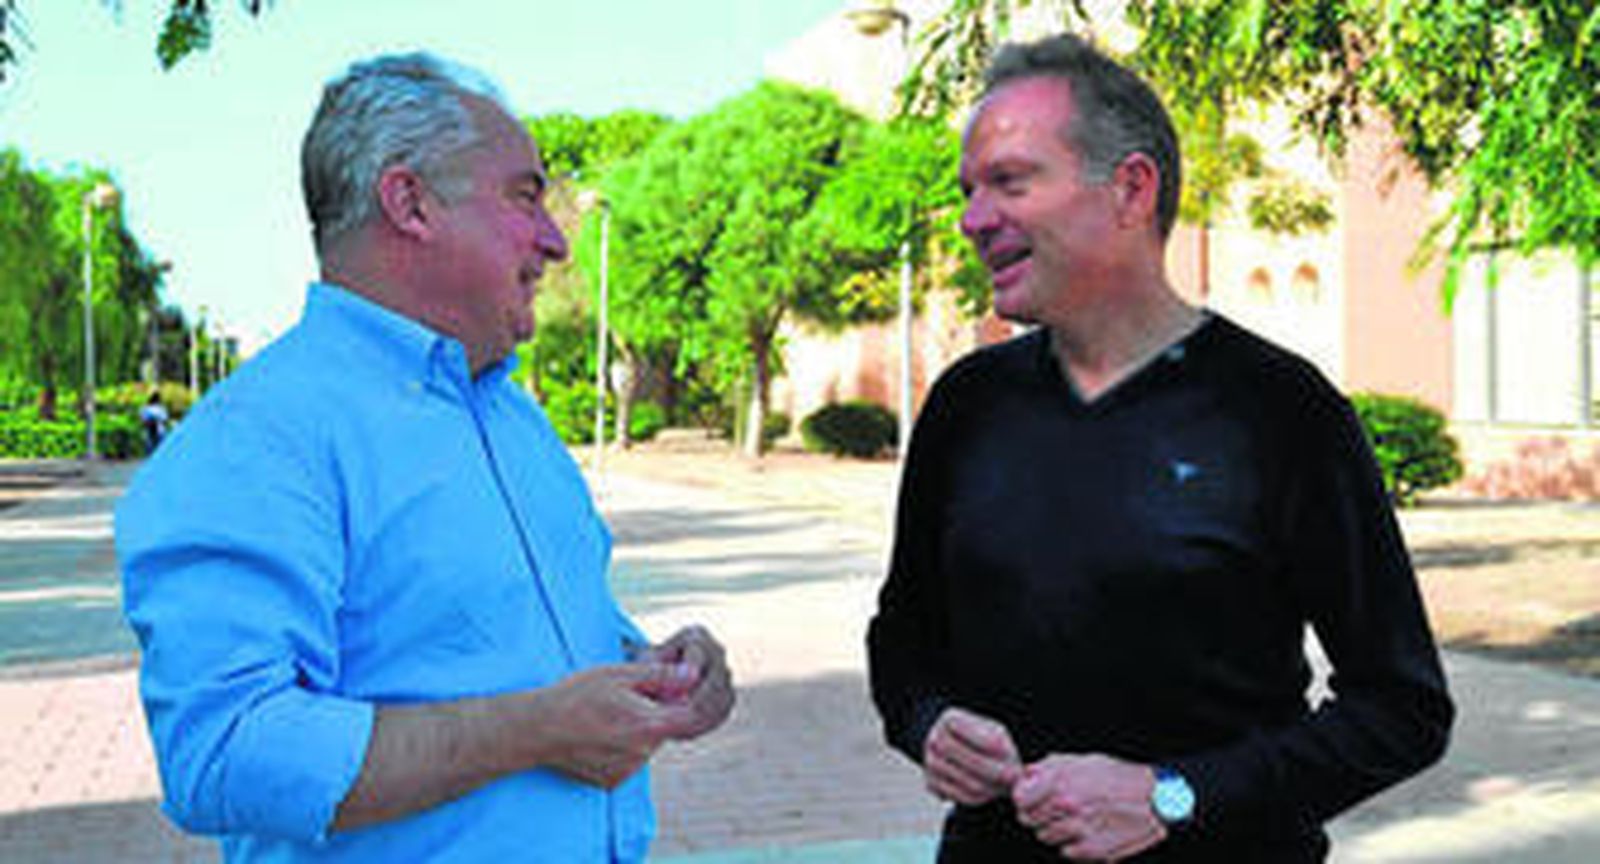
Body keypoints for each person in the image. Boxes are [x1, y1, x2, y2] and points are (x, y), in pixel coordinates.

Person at [116, 52, 734, 863]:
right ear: (409, 202)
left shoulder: (509, 414)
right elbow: (226, 750)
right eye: (525, 195)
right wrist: (537, 729)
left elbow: (513, 644)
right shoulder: (258, 438)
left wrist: (651, 671)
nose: (555, 242)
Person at [867, 33, 1453, 862]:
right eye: (969, 190)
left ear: (1131, 189)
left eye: (1010, 182)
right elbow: (903, 638)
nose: (972, 220)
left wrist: (1174, 796)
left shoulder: (1281, 410)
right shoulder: (967, 406)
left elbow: (1401, 708)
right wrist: (928, 722)